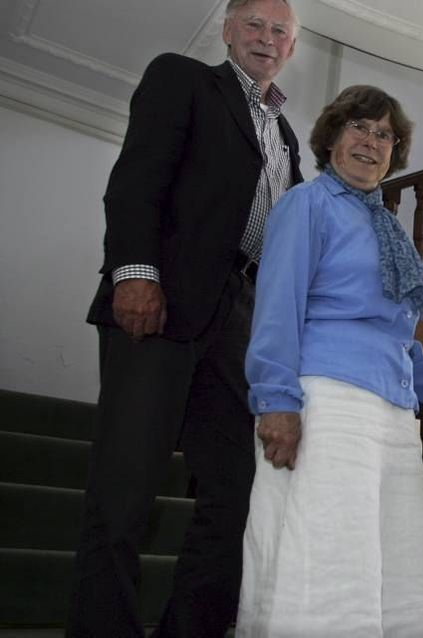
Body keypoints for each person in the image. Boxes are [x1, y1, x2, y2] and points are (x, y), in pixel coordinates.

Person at [68, 1, 301, 635]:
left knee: (233, 500)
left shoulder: (286, 137)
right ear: (227, 31)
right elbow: (138, 177)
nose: (266, 38)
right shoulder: (184, 79)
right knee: (123, 497)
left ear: (291, 48)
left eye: (280, 31)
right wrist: (136, 274)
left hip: (240, 325)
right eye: (254, 24)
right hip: (162, 307)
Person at [237, 85, 423, 637]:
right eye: (359, 126)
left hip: (392, 417)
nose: (371, 140)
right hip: (329, 405)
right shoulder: (305, 204)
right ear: (332, 135)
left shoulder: (385, 226)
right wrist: (276, 402)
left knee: (396, 570)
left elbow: (399, 341)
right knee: (329, 564)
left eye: (385, 134)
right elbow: (276, 310)